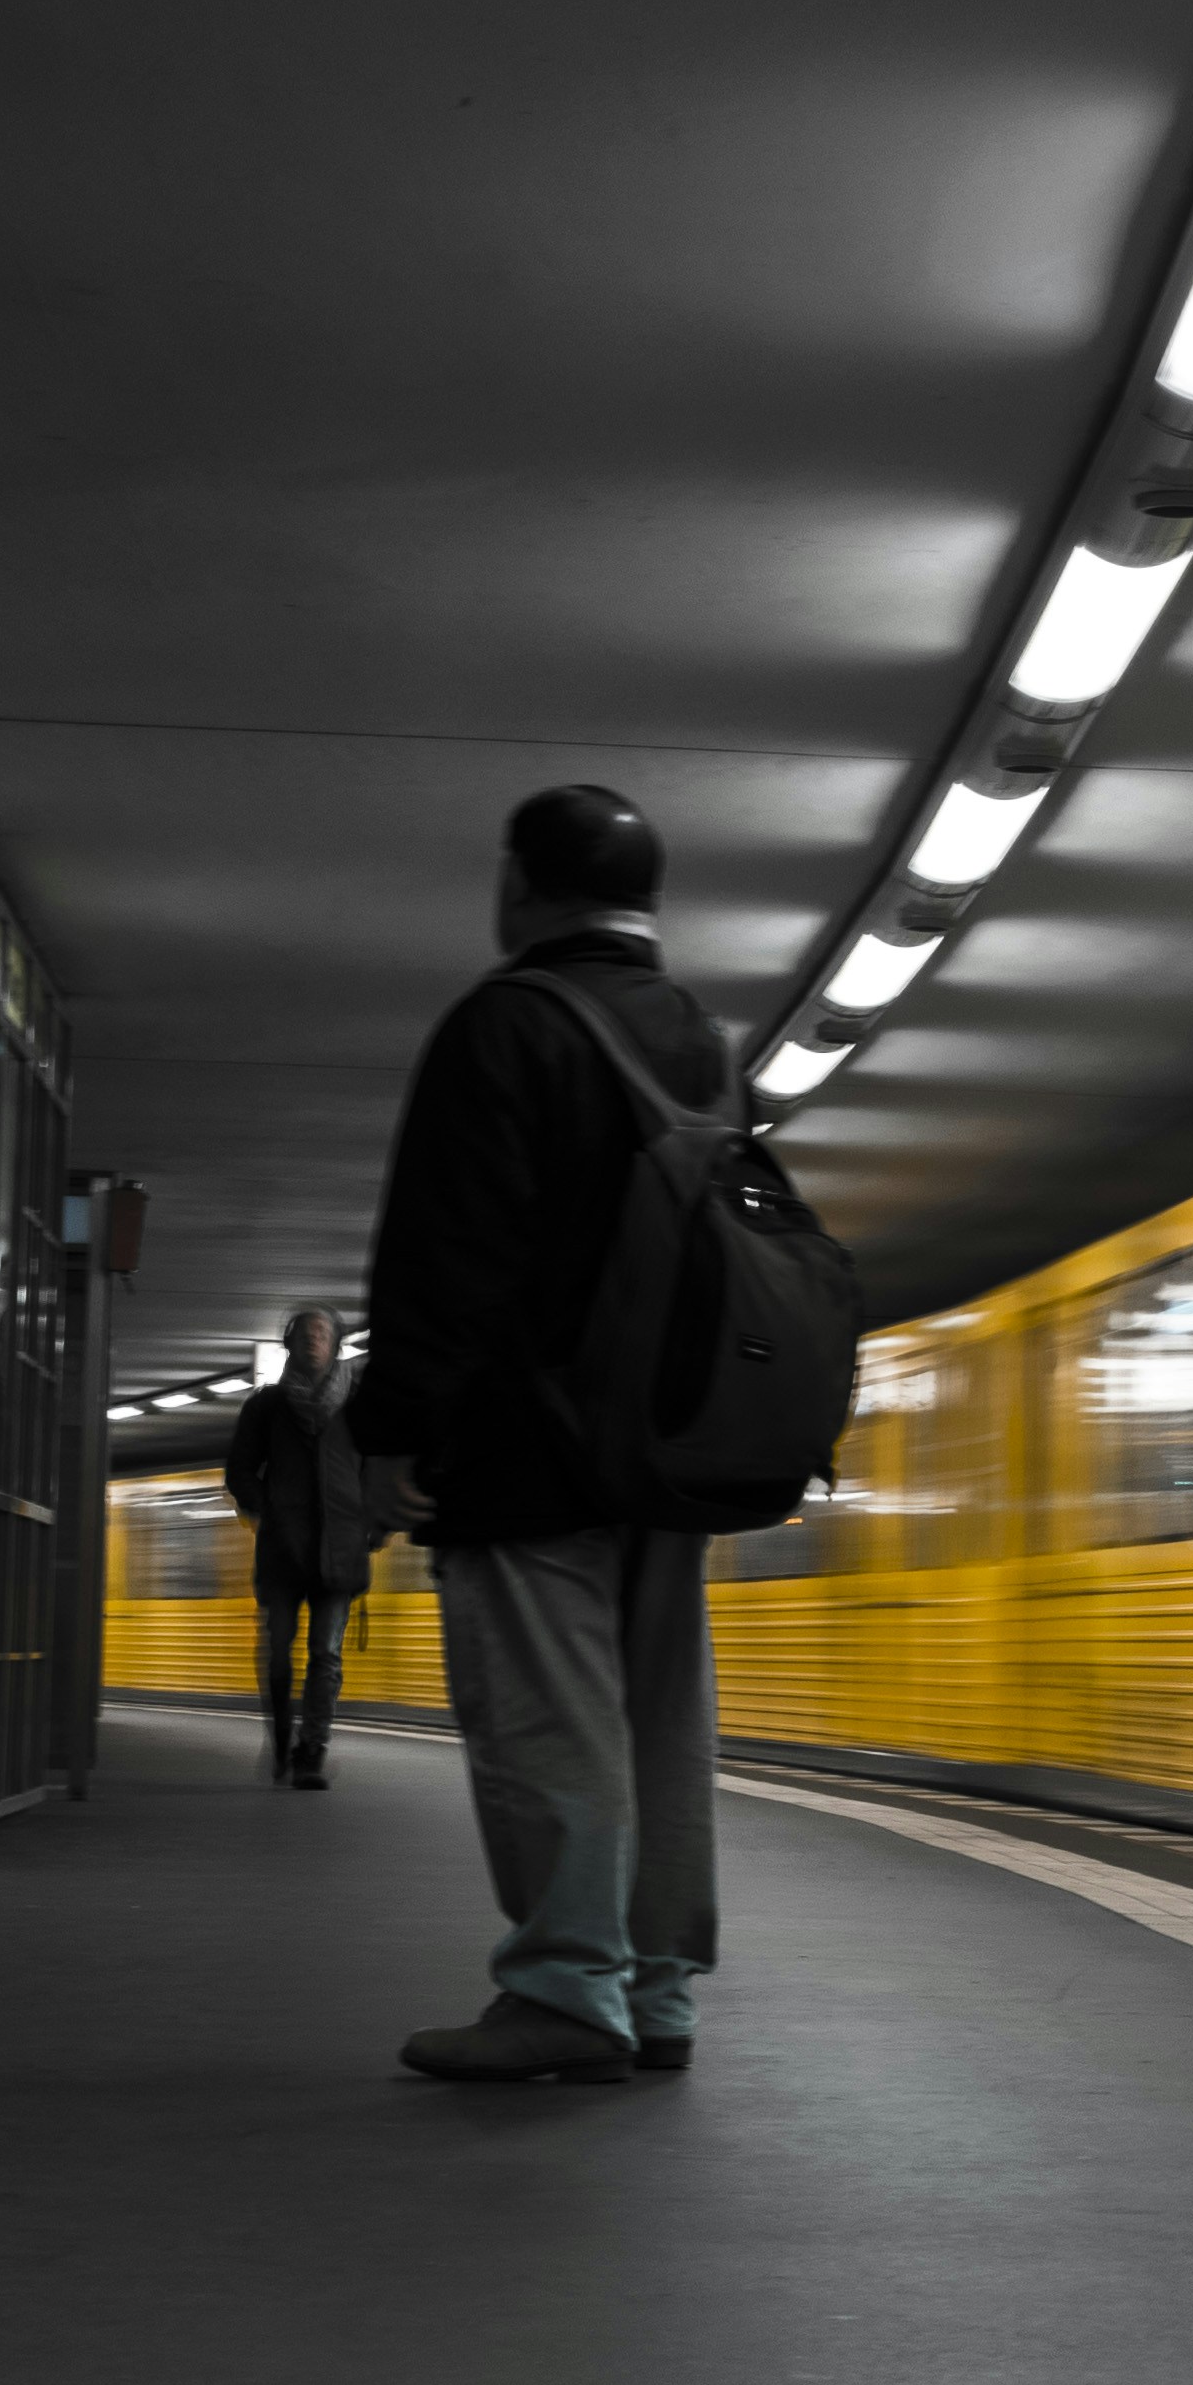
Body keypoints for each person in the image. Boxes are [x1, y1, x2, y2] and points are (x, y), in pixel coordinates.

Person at [350, 786, 725, 2084]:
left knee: (551, 1723)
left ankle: (568, 1990)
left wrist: (393, 1425)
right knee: (662, 1722)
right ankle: (659, 1990)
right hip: (672, 1452)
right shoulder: (694, 1038)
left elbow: (450, 1249)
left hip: (529, 1451)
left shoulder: (507, 1025)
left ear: (518, 885)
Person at [222, 1303, 377, 1786]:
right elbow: (239, 1470)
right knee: (279, 1652)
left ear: (336, 1344)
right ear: (288, 1344)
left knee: (325, 1655)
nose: (313, 1339)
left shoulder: (361, 1407)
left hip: (341, 1551)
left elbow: (381, 1470)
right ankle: (283, 1740)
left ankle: (312, 1752)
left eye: (322, 1332)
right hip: (283, 1551)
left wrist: (374, 1527)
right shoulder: (266, 1406)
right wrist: (266, 1508)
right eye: (305, 1333)